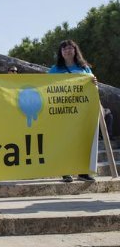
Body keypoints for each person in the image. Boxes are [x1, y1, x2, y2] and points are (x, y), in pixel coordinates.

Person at [48, 39, 97, 183]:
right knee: (64, 141)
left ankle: (83, 172)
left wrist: (94, 82)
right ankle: (65, 172)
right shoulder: (54, 70)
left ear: (75, 50)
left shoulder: (84, 68)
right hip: (62, 112)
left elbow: (92, 86)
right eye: (64, 49)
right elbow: (45, 87)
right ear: (60, 53)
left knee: (83, 141)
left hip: (82, 112)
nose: (67, 51)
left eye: (70, 48)